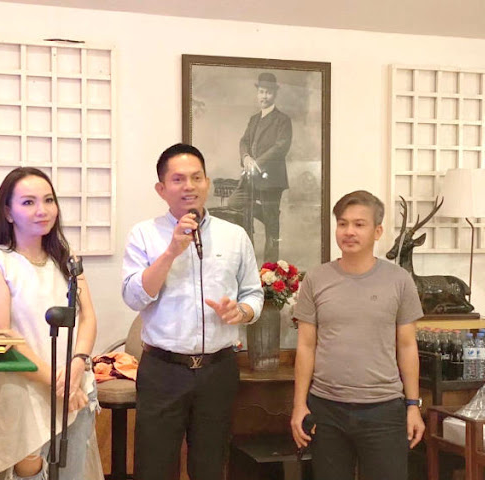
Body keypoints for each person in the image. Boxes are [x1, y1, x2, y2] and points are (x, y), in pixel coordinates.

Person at [122, 143, 264, 480]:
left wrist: (242, 312)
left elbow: (253, 294)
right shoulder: (144, 234)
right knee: (154, 468)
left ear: (207, 183)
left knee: (211, 466)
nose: (189, 186)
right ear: (161, 189)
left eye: (196, 178)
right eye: (178, 179)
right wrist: (171, 251)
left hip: (218, 369)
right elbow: (133, 297)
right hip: (163, 370)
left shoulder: (235, 236)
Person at [0, 167, 103, 480]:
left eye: (48, 200)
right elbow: (1, 334)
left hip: (74, 386)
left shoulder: (66, 257)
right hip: (23, 390)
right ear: (8, 212)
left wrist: (77, 366)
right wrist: (57, 382)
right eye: (28, 202)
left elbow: (87, 317)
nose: (42, 210)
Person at [290, 190, 425, 480]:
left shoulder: (399, 280)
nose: (349, 231)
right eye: (343, 223)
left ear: (377, 232)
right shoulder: (316, 278)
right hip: (326, 409)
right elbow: (306, 346)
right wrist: (299, 405)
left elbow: (407, 346)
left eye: (359, 224)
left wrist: (413, 405)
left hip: (384, 409)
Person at [228, 71, 292, 262]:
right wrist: (246, 157)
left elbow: (281, 147)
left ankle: (270, 268)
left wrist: (257, 163)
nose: (264, 96)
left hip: (271, 179)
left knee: (271, 229)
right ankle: (268, 216)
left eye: (268, 92)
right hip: (250, 177)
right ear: (257, 93)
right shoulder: (254, 119)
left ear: (275, 94)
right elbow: (244, 141)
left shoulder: (282, 120)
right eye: (261, 92)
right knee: (235, 202)